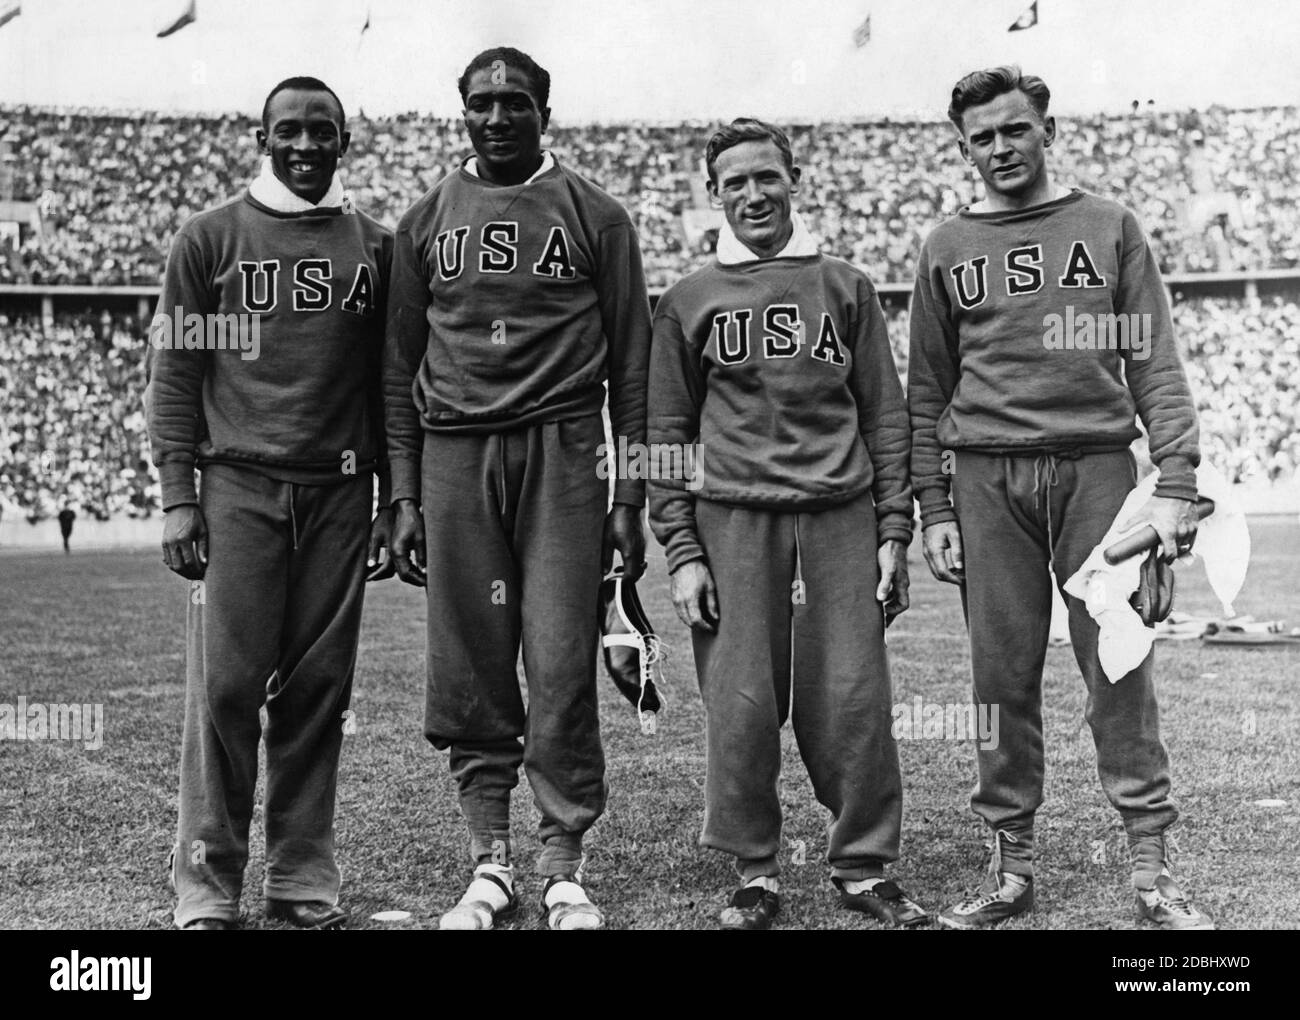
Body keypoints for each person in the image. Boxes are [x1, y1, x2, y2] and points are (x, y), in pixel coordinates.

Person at [908, 66, 1211, 929]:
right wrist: (933, 506)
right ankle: (1011, 873)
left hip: (1097, 473)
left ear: (1048, 128)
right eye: (981, 138)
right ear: (963, 147)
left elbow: (1152, 361)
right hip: (986, 479)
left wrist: (1177, 483)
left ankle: (1152, 871)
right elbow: (925, 390)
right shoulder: (945, 245)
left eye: (1013, 130)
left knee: (1119, 664)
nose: (999, 149)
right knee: (997, 680)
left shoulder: (1107, 225)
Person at [385, 47, 651, 930]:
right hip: (456, 450)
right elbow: (397, 370)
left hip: (565, 445)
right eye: (481, 103)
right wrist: (406, 493)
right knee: (468, 663)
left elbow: (635, 369)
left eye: (515, 103)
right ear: (461, 112)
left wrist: (630, 498)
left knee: (563, 657)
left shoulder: (596, 216)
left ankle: (564, 863)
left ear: (545, 110)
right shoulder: (423, 222)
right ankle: (488, 860)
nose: (498, 117)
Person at [649, 118, 925, 931]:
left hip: (840, 515)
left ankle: (864, 864)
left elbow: (886, 415)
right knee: (739, 702)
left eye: (766, 177)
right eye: (734, 182)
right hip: (733, 522)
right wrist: (682, 550)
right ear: (714, 195)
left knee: (854, 698)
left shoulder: (846, 286)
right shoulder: (689, 300)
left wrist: (894, 530)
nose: (753, 194)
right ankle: (757, 871)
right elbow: (665, 435)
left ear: (793, 179)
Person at [147, 76, 392, 930]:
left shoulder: (375, 247)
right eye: (289, 130)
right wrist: (179, 495)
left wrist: (394, 499)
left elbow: (388, 387)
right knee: (224, 692)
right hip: (240, 488)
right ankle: (208, 885)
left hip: (338, 490)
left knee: (318, 690)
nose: (305, 145)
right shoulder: (211, 239)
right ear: (262, 134)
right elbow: (175, 373)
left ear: (343, 141)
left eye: (322, 130)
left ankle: (299, 879)